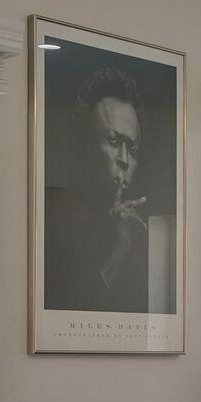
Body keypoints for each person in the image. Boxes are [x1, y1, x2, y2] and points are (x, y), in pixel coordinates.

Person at [45, 67, 157, 311]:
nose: (124, 159)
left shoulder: (145, 236)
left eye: (133, 150)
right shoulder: (48, 216)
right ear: (83, 144)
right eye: (114, 142)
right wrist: (116, 256)